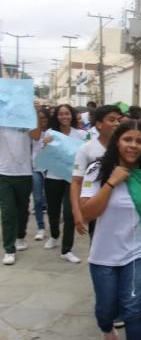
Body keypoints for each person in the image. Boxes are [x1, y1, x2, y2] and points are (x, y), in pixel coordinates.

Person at [80, 120, 141, 340]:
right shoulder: (96, 170)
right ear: (117, 141)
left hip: (138, 255)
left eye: (139, 141)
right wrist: (112, 182)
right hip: (103, 255)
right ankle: (106, 328)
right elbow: (87, 212)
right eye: (128, 139)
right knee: (106, 309)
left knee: (134, 309)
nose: (133, 145)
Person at [43, 104, 87, 263]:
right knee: (53, 212)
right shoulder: (50, 133)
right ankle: (54, 235)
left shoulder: (81, 134)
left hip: (72, 180)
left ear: (72, 115)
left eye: (67, 114)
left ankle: (66, 250)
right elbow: (44, 154)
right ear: (57, 117)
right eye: (61, 114)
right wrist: (45, 144)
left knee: (69, 214)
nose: (64, 117)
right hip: (53, 178)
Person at [71, 105, 122, 238]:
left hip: (121, 208)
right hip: (96, 208)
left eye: (119, 120)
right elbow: (76, 182)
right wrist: (77, 213)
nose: (116, 123)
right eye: (111, 120)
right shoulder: (86, 149)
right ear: (99, 124)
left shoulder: (124, 149)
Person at [1, 108, 42, 265]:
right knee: (7, 212)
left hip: (24, 173)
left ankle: (20, 236)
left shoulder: (26, 121)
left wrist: (35, 113)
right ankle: (9, 249)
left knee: (22, 209)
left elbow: (37, 136)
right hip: (3, 173)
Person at [31, 108, 50, 241]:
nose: (42, 120)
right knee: (37, 199)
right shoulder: (32, 132)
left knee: (50, 200)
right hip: (36, 169)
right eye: (39, 118)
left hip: (51, 170)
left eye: (44, 118)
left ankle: (53, 227)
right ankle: (40, 227)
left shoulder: (53, 132)